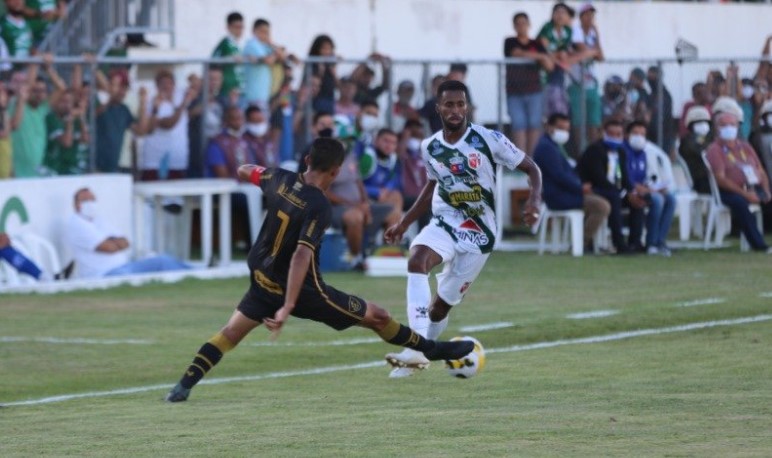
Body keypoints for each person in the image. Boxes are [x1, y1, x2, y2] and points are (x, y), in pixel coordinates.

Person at [164, 138, 475, 402]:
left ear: (308, 160)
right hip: (306, 292)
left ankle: (183, 386)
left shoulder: (280, 179)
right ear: (337, 171)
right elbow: (302, 255)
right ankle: (432, 349)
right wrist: (288, 306)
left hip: (262, 279)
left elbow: (246, 170)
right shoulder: (319, 205)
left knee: (230, 333)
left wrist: (261, 175)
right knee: (378, 316)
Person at [382, 80, 542, 377]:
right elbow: (432, 185)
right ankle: (414, 349)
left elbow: (532, 167)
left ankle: (421, 351)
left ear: (466, 106)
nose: (455, 110)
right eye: (449, 104)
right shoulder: (429, 146)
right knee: (417, 260)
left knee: (439, 309)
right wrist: (404, 223)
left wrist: (534, 201)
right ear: (438, 108)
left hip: (479, 235)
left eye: (460, 104)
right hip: (446, 220)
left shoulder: (488, 139)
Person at [64, 188, 191, 279]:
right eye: (86, 200)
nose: (90, 204)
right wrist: (111, 242)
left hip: (124, 266)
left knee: (162, 260)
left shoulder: (98, 220)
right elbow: (109, 248)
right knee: (130, 278)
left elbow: (125, 242)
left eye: (93, 200)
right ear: (76, 204)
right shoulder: (76, 223)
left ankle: (197, 273)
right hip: (104, 274)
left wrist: (110, 241)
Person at [533, 113, 610, 253]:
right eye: (560, 128)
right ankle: (581, 243)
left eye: (566, 129)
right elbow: (559, 176)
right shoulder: (546, 148)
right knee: (602, 206)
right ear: (549, 127)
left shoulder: (553, 145)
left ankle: (588, 242)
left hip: (565, 193)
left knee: (599, 200)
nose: (564, 132)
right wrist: (580, 188)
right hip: (558, 196)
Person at [705, 111, 771, 252]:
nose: (729, 128)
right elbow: (721, 179)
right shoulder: (715, 150)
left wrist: (766, 190)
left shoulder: (745, 147)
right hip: (730, 191)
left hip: (753, 187)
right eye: (724, 125)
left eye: (732, 124)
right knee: (740, 203)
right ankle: (759, 245)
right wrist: (746, 195)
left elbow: (760, 170)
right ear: (717, 128)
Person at [577, 119, 639, 254]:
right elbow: (599, 178)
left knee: (638, 200)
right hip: (594, 189)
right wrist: (621, 191)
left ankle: (635, 242)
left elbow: (625, 178)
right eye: (612, 134)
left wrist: (632, 191)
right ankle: (619, 242)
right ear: (604, 133)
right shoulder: (595, 150)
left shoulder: (621, 152)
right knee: (614, 197)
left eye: (619, 134)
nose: (616, 137)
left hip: (614, 190)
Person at [623, 121, 675, 256]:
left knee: (670, 199)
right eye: (635, 133)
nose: (639, 137)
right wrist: (637, 188)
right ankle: (651, 244)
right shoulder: (622, 152)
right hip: (627, 191)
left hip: (643, 189)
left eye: (642, 134)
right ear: (627, 135)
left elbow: (646, 177)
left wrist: (654, 187)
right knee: (657, 200)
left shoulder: (643, 153)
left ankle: (660, 241)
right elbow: (623, 177)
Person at [503, 11, 553, 155]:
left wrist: (542, 57)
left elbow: (549, 66)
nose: (521, 26)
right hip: (514, 92)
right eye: (518, 24)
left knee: (534, 124)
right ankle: (521, 159)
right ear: (514, 26)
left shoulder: (536, 43)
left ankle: (532, 159)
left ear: (529, 24)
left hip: (534, 91)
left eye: (524, 23)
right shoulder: (510, 41)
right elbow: (516, 53)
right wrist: (540, 56)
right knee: (518, 124)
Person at [140, 69, 198, 181]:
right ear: (157, 86)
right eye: (162, 84)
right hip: (154, 161)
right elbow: (167, 125)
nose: (166, 86)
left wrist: (191, 78)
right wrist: (182, 106)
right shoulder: (152, 103)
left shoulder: (180, 95)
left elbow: (197, 85)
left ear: (174, 84)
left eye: (169, 83)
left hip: (177, 160)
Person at [94, 69, 149, 173]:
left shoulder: (124, 109)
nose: (122, 91)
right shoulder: (97, 102)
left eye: (125, 88)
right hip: (94, 168)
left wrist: (143, 103)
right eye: (118, 86)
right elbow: (97, 112)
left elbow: (140, 131)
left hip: (114, 168)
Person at [568, 3, 603, 151]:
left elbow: (600, 56)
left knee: (593, 121)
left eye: (592, 15)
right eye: (587, 15)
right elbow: (582, 49)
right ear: (581, 17)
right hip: (576, 83)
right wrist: (592, 51)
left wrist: (597, 37)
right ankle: (581, 152)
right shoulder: (575, 31)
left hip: (591, 84)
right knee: (578, 122)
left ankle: (593, 152)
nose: (590, 18)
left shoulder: (593, 33)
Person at [358, 128, 403, 232]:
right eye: (386, 141)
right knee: (394, 203)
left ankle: (390, 240)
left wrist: (387, 189)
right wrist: (376, 192)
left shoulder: (392, 158)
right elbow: (353, 184)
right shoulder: (368, 158)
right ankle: (390, 240)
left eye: (393, 143)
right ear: (376, 140)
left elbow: (395, 179)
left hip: (382, 197)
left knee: (396, 195)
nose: (389, 146)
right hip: (363, 198)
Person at [242, 18, 287, 111]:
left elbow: (282, 57)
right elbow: (268, 61)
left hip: (263, 95)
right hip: (253, 95)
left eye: (267, 32)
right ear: (254, 31)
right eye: (262, 31)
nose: (265, 35)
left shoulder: (264, 46)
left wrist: (271, 44)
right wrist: (275, 53)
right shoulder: (252, 45)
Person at [41, 89, 89, 175]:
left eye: (69, 102)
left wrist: (82, 116)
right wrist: (70, 120)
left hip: (74, 169)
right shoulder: (51, 118)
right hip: (55, 169)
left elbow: (85, 139)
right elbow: (67, 143)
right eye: (63, 101)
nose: (66, 105)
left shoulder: (76, 120)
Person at [398, 118, 430, 230]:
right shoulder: (401, 152)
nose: (415, 140)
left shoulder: (423, 155)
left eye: (418, 136)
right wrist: (405, 137)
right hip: (404, 196)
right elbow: (399, 155)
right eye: (412, 136)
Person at [678, 105, 713, 195]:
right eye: (698, 122)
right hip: (699, 179)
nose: (703, 125)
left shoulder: (708, 139)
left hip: (710, 178)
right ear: (691, 125)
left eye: (705, 122)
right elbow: (701, 152)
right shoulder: (687, 141)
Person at [211, 11, 244, 100]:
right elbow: (213, 64)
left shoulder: (236, 45)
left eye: (241, 27)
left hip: (237, 91)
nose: (239, 31)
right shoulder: (225, 44)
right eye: (236, 27)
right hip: (226, 92)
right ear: (228, 27)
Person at [646, 66, 675, 155]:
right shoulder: (652, 95)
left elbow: (664, 117)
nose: (650, 80)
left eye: (652, 77)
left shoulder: (663, 95)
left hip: (663, 137)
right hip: (652, 137)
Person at [307, 34, 337, 113]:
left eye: (329, 49)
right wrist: (321, 69)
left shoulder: (330, 65)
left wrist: (333, 71)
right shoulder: (312, 64)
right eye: (324, 48)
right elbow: (314, 84)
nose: (327, 52)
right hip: (317, 100)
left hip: (329, 99)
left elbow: (336, 85)